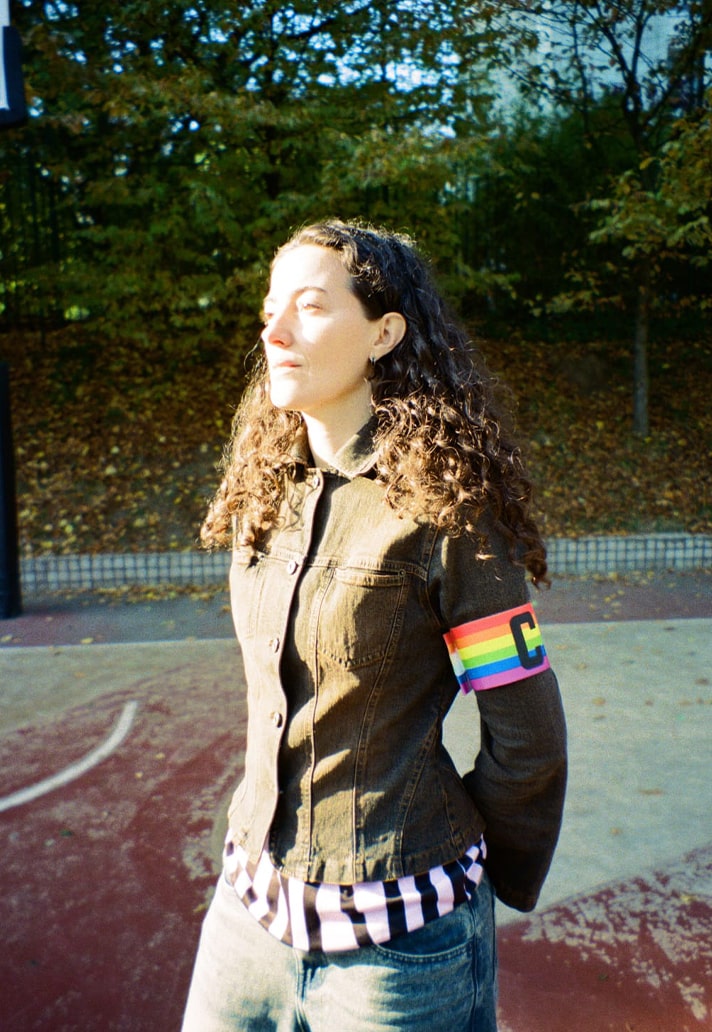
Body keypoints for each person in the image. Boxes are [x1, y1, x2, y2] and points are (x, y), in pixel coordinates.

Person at [182, 219, 567, 1032]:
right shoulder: (267, 488)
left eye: (311, 307)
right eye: (270, 309)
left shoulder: (448, 512)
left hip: (397, 951)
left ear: (384, 334)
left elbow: (528, 739)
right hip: (248, 916)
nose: (274, 332)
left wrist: (474, 867)